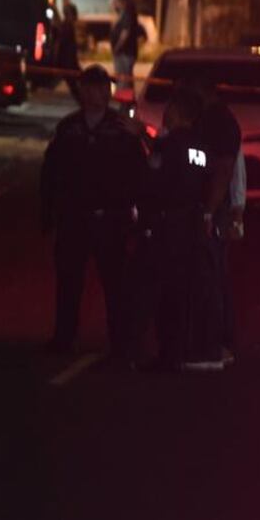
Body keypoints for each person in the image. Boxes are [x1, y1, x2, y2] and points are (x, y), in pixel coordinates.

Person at [41, 65, 147, 357]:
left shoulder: (121, 129)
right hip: (74, 217)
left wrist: (135, 214)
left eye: (99, 88)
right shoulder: (69, 128)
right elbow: (52, 170)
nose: (93, 94)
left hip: (110, 218)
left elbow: (138, 172)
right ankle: (64, 337)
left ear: (107, 92)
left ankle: (120, 341)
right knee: (68, 282)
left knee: (115, 284)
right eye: (87, 88)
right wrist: (48, 211)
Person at [129, 88, 221, 370]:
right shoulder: (202, 148)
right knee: (183, 290)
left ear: (179, 113)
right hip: (191, 225)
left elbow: (152, 181)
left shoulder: (167, 146)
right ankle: (182, 350)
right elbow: (207, 180)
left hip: (165, 225)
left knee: (158, 291)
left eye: (169, 110)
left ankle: (162, 353)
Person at [186, 76, 243, 365]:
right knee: (214, 275)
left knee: (210, 277)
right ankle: (220, 342)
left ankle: (215, 345)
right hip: (213, 208)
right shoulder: (217, 119)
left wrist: (210, 211)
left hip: (212, 210)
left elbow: (224, 170)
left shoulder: (217, 122)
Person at [109, 0, 144, 92]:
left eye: (115, 1)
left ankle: (123, 101)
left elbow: (125, 33)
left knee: (123, 79)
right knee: (125, 78)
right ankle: (126, 101)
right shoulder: (123, 15)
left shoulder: (127, 15)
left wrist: (117, 47)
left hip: (125, 52)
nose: (113, 4)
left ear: (122, 2)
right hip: (123, 52)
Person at [55, 2, 82, 102]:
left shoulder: (66, 26)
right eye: (75, 13)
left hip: (69, 63)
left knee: (77, 87)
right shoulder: (67, 27)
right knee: (76, 87)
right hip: (68, 63)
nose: (76, 16)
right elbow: (64, 46)